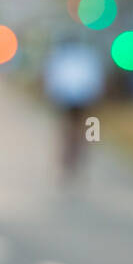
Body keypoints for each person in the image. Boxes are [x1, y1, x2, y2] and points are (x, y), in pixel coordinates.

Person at [42, 37, 104, 180]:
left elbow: (53, 78)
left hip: (76, 98)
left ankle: (72, 157)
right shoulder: (85, 56)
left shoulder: (67, 57)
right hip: (76, 98)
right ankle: (72, 157)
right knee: (75, 129)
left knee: (73, 129)